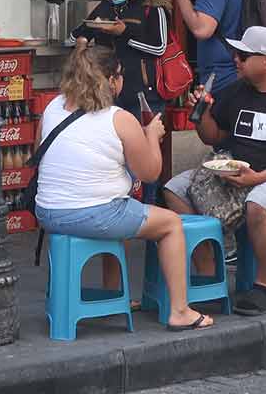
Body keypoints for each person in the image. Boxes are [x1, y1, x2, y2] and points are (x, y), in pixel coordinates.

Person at [35, 46, 214, 331]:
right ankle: (180, 311)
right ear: (111, 81)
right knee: (169, 224)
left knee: (119, 204)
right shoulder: (119, 118)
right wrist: (151, 136)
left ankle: (113, 292)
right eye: (119, 75)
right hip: (93, 215)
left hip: (48, 212)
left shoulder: (52, 108)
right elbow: (151, 172)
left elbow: (42, 155)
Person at [162, 26, 266, 317]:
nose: (235, 59)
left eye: (243, 55)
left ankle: (264, 287)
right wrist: (201, 114)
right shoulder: (238, 90)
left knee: (260, 202)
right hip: (238, 169)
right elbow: (213, 137)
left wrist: (260, 178)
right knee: (174, 188)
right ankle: (210, 273)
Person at [72, 0, 169, 117]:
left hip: (142, 94)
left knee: (143, 139)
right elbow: (78, 33)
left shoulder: (152, 9)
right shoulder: (105, 7)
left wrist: (124, 33)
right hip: (106, 92)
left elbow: (159, 47)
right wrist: (82, 39)